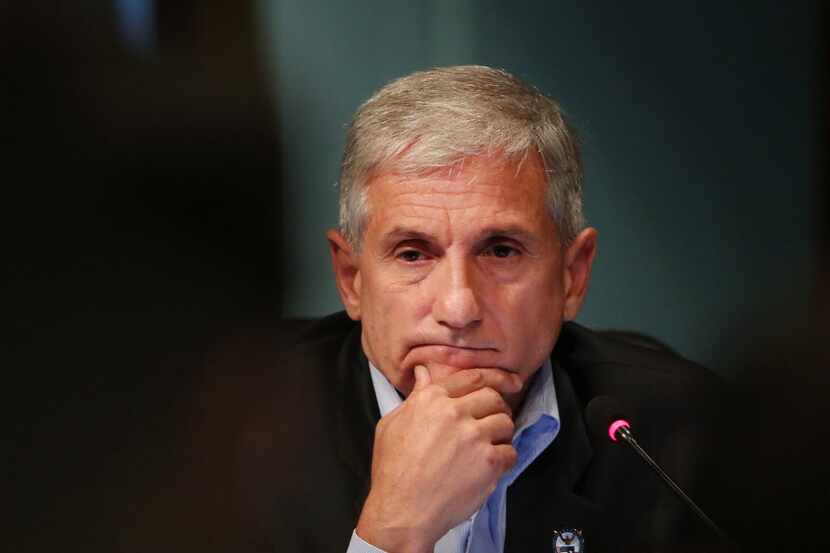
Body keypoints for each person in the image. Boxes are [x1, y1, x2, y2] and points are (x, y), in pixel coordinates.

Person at [233, 66, 733, 553]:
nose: (459, 307)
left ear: (572, 275)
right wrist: (393, 532)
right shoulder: (225, 431)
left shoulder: (683, 437)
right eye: (413, 253)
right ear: (352, 279)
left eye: (500, 251)